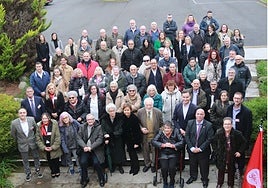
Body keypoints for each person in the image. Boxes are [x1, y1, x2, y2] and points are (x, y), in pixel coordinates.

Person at [213, 117, 247, 188]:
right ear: (223, 125)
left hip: (232, 154)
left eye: (229, 124)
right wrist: (216, 151)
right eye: (225, 124)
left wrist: (239, 152)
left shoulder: (237, 133)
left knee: (231, 170)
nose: (227, 126)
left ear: (231, 125)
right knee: (221, 169)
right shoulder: (218, 132)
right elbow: (214, 142)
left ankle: (230, 184)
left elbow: (244, 143)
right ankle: (219, 183)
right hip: (221, 154)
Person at [11, 108, 43, 182]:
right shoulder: (14, 123)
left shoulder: (31, 119)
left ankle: (38, 170)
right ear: (18, 114)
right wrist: (19, 141)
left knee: (36, 156)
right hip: (22, 144)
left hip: (32, 142)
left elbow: (36, 129)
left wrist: (35, 138)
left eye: (24, 112)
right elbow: (13, 134)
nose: (22, 114)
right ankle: (28, 173)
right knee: (25, 159)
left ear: (26, 113)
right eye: (20, 113)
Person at [185, 108, 214, 188]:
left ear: (204, 115)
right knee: (192, 164)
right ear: (195, 115)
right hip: (192, 150)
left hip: (203, 151)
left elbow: (209, 139)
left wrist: (200, 148)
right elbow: (187, 136)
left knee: (204, 166)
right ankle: (193, 177)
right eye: (198, 114)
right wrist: (191, 148)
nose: (199, 116)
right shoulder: (190, 123)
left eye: (201, 114)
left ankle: (204, 179)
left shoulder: (208, 125)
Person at [226, 92, 252, 175]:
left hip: (241, 138)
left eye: (238, 98)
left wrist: (245, 142)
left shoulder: (247, 112)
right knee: (230, 155)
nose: (236, 100)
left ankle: (241, 171)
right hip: (230, 136)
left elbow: (248, 128)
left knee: (240, 156)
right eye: (235, 98)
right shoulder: (229, 108)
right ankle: (231, 170)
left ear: (242, 100)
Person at [152, 121, 184, 188]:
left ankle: (172, 181)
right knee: (164, 168)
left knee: (172, 168)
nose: (167, 130)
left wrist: (173, 145)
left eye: (168, 128)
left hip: (173, 153)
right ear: (163, 128)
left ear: (171, 129)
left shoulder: (176, 131)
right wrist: (162, 145)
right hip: (163, 153)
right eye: (165, 128)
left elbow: (182, 141)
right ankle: (165, 181)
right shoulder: (161, 132)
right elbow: (153, 141)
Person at [76, 113, 105, 187]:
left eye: (91, 119)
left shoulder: (99, 127)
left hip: (95, 149)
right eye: (88, 119)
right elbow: (78, 138)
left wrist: (91, 147)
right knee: (83, 162)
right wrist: (84, 146)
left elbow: (100, 139)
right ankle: (84, 179)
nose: (90, 121)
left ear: (94, 119)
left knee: (96, 163)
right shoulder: (82, 127)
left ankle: (101, 178)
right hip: (85, 149)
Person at [137, 97, 163, 173]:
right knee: (145, 151)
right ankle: (147, 164)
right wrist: (141, 128)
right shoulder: (140, 112)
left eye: (150, 105)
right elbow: (137, 123)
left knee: (154, 151)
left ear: (153, 104)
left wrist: (160, 130)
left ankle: (153, 165)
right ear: (144, 105)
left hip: (154, 135)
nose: (149, 107)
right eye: (147, 105)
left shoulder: (158, 112)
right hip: (145, 136)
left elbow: (162, 124)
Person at [172, 90, 197, 170]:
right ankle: (180, 166)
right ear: (181, 97)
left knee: (191, 151)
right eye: (184, 97)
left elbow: (195, 121)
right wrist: (180, 129)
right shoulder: (178, 106)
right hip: (180, 132)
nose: (185, 99)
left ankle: (193, 169)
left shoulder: (194, 107)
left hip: (190, 133)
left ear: (190, 97)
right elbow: (174, 120)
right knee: (179, 150)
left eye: (187, 97)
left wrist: (188, 131)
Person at [36, 113, 62, 178]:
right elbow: (37, 138)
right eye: (43, 118)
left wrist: (53, 147)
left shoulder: (54, 124)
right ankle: (52, 171)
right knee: (49, 160)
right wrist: (43, 147)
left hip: (53, 145)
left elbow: (57, 136)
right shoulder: (39, 126)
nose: (45, 120)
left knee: (56, 160)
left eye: (46, 118)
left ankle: (57, 170)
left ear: (49, 118)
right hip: (45, 147)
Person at [101, 103, 125, 174]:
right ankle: (113, 165)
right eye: (110, 111)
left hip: (118, 138)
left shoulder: (120, 117)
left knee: (119, 152)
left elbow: (121, 129)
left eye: (113, 110)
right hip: (109, 139)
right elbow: (103, 129)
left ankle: (120, 166)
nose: (112, 112)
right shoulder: (104, 118)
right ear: (108, 112)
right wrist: (105, 135)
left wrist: (111, 135)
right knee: (112, 153)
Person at [122, 103, 143, 175]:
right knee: (130, 154)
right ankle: (132, 167)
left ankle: (136, 168)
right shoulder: (123, 118)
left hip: (134, 140)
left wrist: (137, 143)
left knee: (134, 155)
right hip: (128, 140)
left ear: (130, 110)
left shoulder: (134, 118)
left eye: (128, 110)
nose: (126, 112)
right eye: (125, 110)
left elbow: (138, 131)